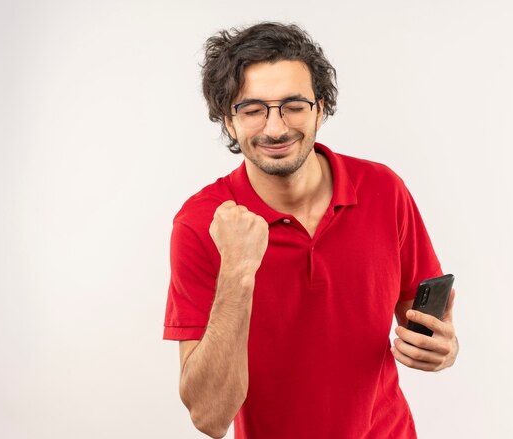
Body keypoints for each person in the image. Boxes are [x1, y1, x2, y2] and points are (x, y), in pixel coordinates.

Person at [163, 22, 459, 439]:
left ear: (321, 107)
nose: (275, 128)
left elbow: (422, 315)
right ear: (228, 122)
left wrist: (443, 348)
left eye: (294, 105)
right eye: (252, 110)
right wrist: (237, 271)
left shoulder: (382, 189)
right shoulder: (201, 223)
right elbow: (209, 418)